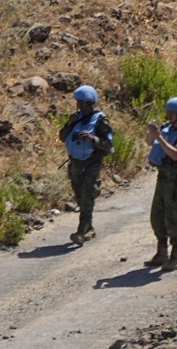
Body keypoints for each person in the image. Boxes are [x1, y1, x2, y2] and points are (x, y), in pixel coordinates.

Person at [144, 96, 177, 272]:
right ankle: (161, 253)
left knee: (173, 219)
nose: (168, 115)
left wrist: (159, 137)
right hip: (162, 177)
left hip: (175, 180)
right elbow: (149, 142)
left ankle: (175, 257)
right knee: (157, 216)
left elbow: (176, 154)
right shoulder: (168, 129)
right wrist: (153, 134)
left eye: (171, 112)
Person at [58, 85, 114, 246]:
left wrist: (92, 139)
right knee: (79, 196)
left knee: (87, 194)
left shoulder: (101, 120)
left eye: (81, 102)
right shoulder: (76, 118)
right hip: (76, 162)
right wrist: (69, 124)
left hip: (92, 162)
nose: (79, 106)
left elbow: (108, 144)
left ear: (89, 103)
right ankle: (89, 228)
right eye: (78, 102)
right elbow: (62, 137)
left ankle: (81, 231)